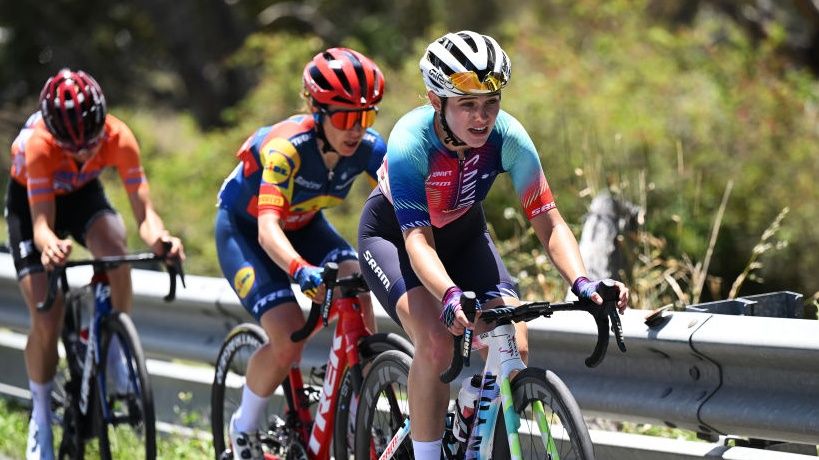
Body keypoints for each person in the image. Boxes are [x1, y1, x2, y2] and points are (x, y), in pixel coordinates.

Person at [357, 30, 630, 459]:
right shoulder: (411, 141)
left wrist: (582, 282)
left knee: (512, 341)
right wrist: (448, 295)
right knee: (435, 341)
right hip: (396, 237)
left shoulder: (509, 137)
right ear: (435, 101)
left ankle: (469, 408)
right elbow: (418, 241)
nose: (482, 117)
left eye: (491, 102)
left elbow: (548, 221)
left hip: (463, 233)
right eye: (467, 105)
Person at [214, 47, 386, 459]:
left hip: (306, 225)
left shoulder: (369, 148)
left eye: (366, 117)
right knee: (288, 334)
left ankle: (355, 409)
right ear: (316, 109)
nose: (355, 130)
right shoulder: (286, 148)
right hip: (248, 231)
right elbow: (268, 228)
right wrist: (300, 270)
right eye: (345, 117)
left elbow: (404, 207)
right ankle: (243, 429)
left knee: (357, 287)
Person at [5, 68, 185, 460]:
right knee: (47, 315)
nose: (85, 152)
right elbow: (40, 225)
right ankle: (40, 416)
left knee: (115, 248)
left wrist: (162, 240)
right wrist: (51, 246)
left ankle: (116, 354)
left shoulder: (119, 136)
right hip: (31, 203)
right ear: (53, 134)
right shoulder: (36, 146)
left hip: (83, 195)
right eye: (73, 146)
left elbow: (145, 213)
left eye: (91, 142)